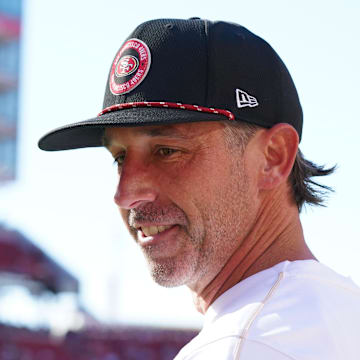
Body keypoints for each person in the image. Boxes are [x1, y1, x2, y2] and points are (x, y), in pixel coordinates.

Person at [38, 18, 360, 359]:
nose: (125, 194)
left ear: (273, 156)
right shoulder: (343, 310)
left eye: (167, 151)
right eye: (119, 157)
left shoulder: (241, 345)